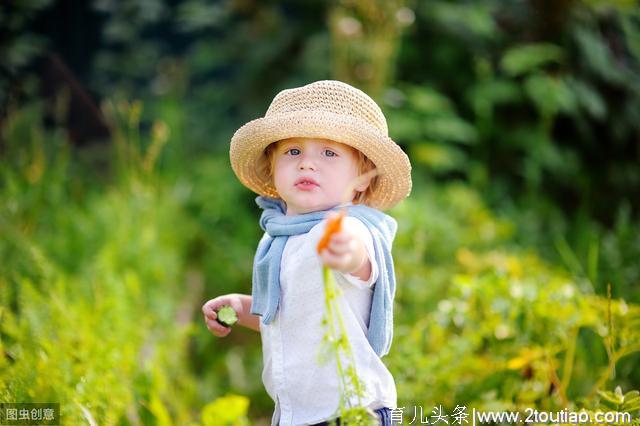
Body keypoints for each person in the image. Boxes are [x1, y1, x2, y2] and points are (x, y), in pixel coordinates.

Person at [202, 80, 412, 426]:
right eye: (293, 152)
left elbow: (360, 260)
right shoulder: (278, 239)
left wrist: (347, 254)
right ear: (272, 166)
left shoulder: (349, 226)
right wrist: (242, 308)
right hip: (294, 415)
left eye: (329, 153)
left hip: (351, 410)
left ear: (362, 177)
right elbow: (291, 318)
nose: (307, 164)